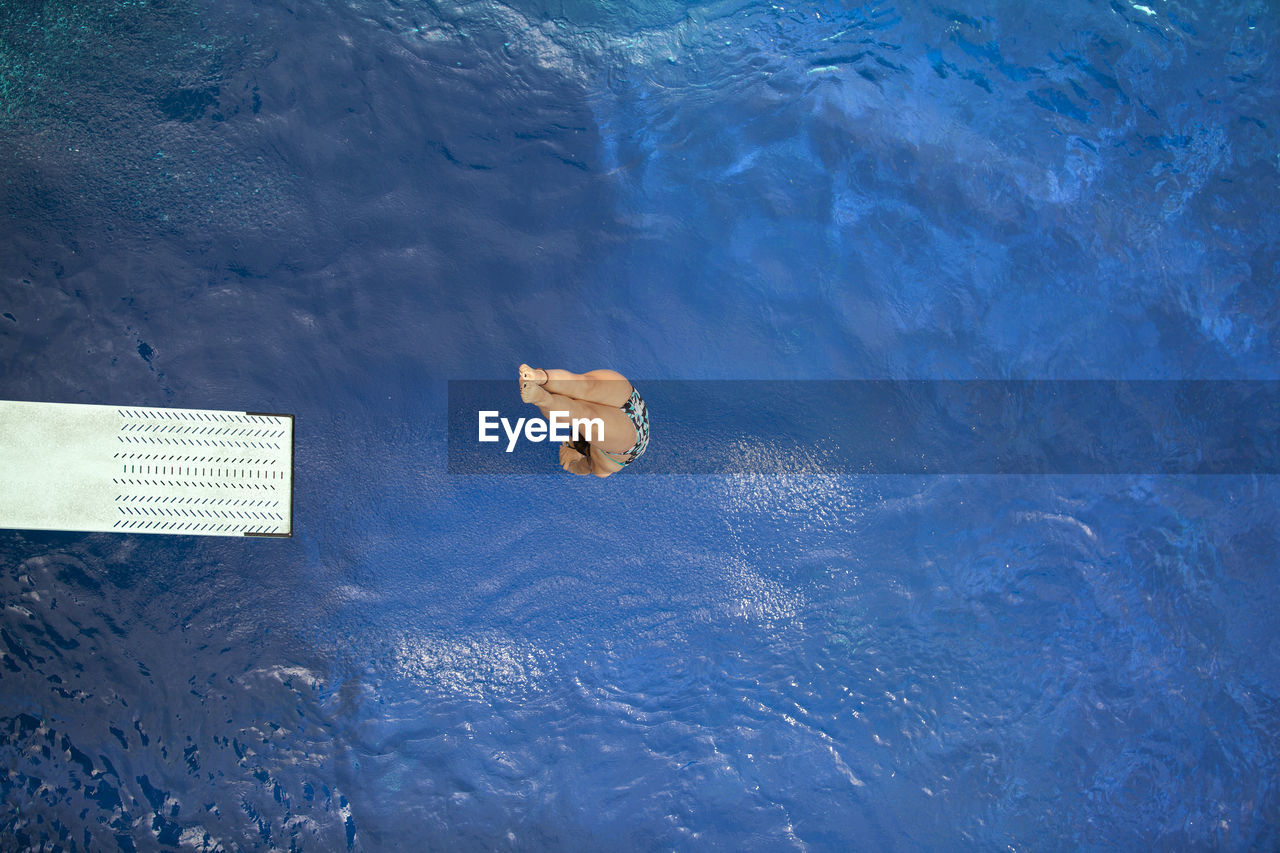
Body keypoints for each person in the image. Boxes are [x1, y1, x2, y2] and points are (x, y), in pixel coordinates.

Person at [519, 364, 649, 477]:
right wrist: (572, 463)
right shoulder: (603, 466)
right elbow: (581, 468)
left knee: (582, 384)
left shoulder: (606, 463)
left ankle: (541, 376)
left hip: (632, 400)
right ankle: (544, 399)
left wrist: (573, 455)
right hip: (627, 438)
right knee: (583, 416)